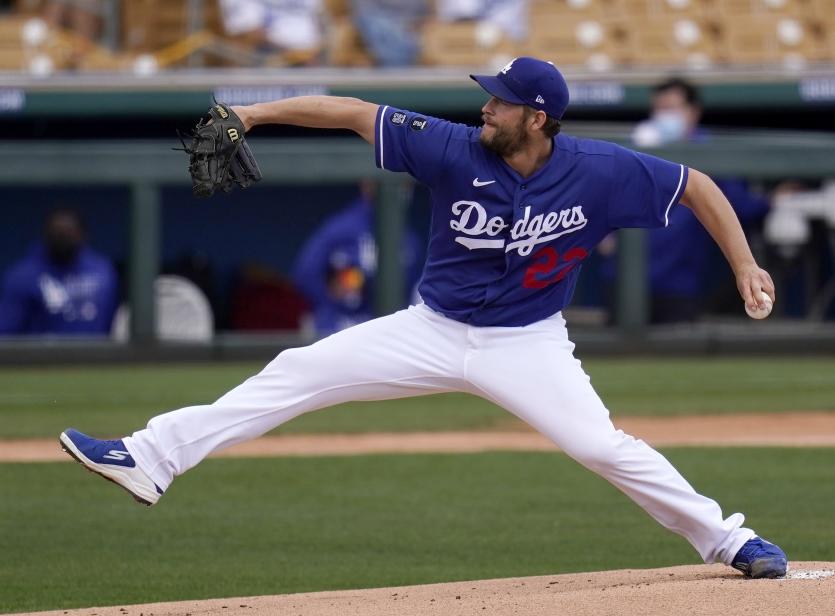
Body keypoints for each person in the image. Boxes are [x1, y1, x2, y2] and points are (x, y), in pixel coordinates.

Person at [59, 57, 788, 579]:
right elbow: (348, 112)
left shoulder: (598, 168)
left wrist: (744, 263)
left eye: (501, 102)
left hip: (527, 342)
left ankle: (728, 541)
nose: (485, 108)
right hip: (430, 329)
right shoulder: (450, 146)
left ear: (537, 118)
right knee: (297, 370)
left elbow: (696, 184)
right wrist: (252, 113)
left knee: (601, 447)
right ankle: (148, 458)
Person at [633, 78, 772, 323]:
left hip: (680, 280)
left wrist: (773, 201)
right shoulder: (640, 148)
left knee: (678, 351)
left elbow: (741, 207)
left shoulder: (709, 152)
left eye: (672, 108)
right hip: (629, 277)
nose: (665, 116)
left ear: (693, 112)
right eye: (660, 109)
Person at [291, 180, 422, 334]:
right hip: (339, 328)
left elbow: (413, 290)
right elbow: (304, 274)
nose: (402, 190)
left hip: (385, 332)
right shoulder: (342, 228)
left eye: (407, 184)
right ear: (366, 184)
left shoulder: (409, 237)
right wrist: (330, 306)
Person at [0, 208, 118, 336]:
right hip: (41, 354)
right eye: (57, 233)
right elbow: (6, 332)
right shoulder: (22, 276)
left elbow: (112, 322)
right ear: (45, 235)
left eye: (69, 232)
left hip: (96, 353)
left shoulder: (102, 270)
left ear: (83, 235)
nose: (63, 238)